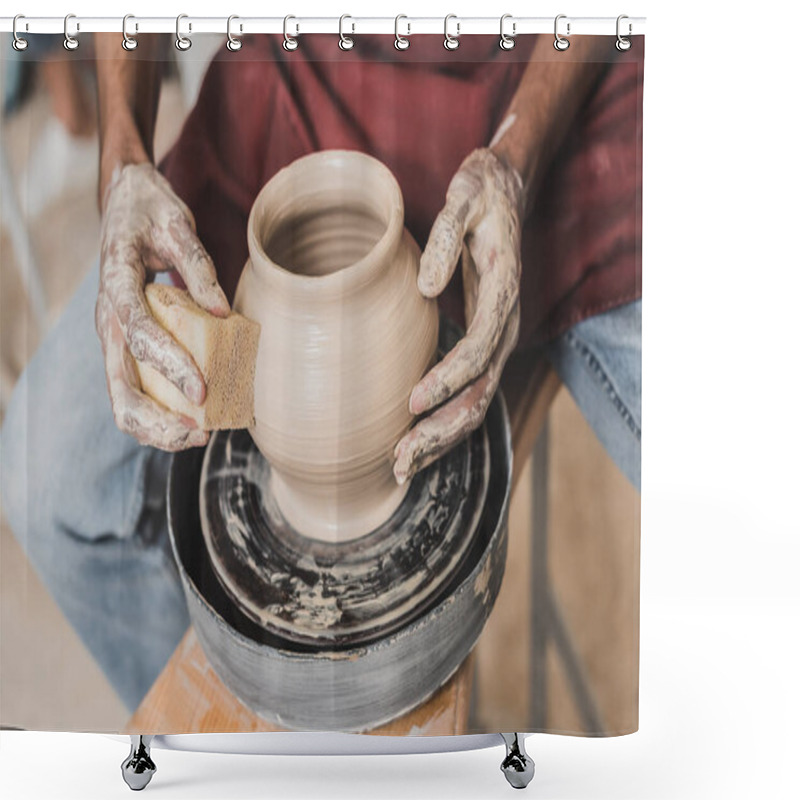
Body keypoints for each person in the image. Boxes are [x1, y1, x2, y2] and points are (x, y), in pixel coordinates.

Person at [0, 32, 641, 715]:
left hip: (547, 91)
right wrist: (123, 164)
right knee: (49, 478)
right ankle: (231, 732)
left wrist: (519, 159)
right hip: (298, 88)